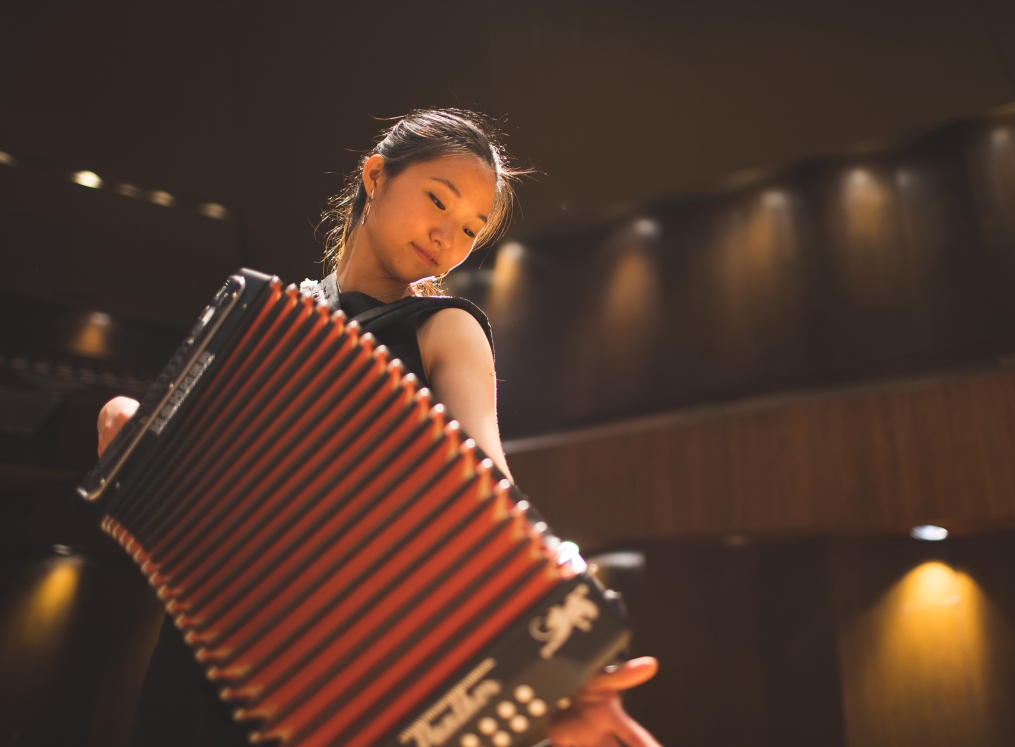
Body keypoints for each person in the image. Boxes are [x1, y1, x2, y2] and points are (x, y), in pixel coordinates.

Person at [97, 109, 661, 747]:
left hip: (339, 668)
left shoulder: (444, 327)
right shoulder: (261, 324)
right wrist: (131, 447)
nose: (448, 237)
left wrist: (557, 673)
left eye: (471, 228)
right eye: (437, 201)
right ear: (374, 177)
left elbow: (490, 492)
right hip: (214, 645)